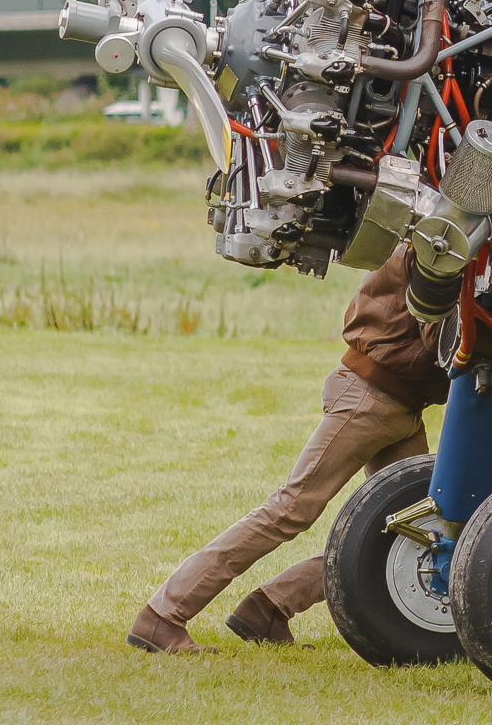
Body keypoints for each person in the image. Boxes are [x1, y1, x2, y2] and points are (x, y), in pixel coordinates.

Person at [126, 242, 449, 653]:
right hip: (371, 396)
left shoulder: (437, 236)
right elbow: (446, 339)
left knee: (408, 529)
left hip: (398, 405)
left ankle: (270, 608)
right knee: (290, 510)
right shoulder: (439, 247)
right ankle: (162, 616)